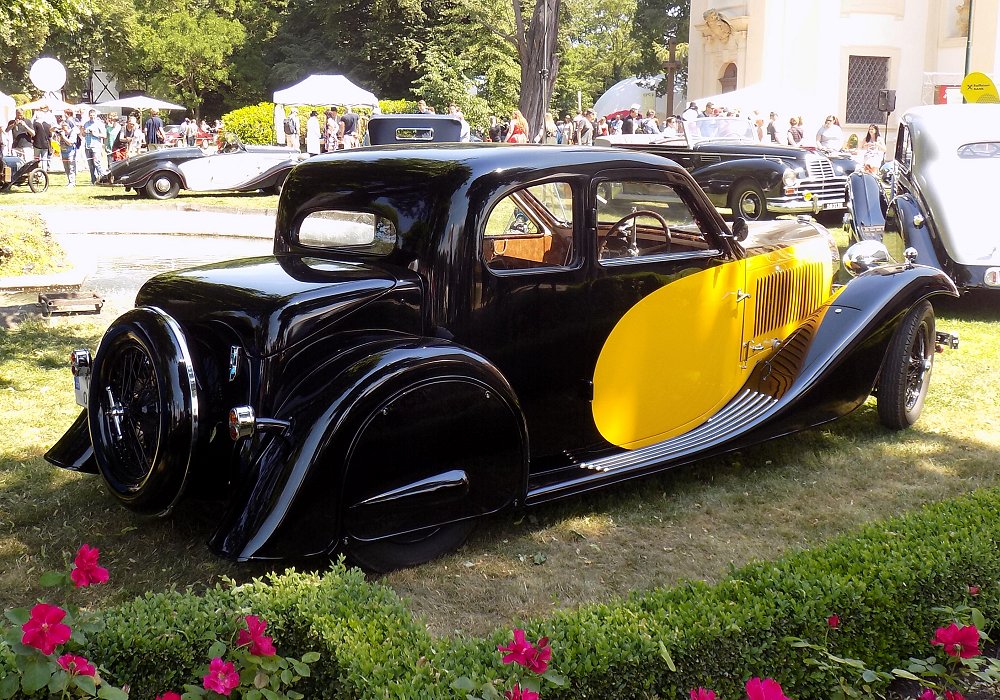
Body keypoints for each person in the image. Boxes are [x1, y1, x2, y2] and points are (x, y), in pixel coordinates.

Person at [83, 109, 107, 183]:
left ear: (96, 115)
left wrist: (95, 134)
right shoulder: (86, 124)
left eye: (93, 115)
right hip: (87, 146)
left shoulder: (100, 124)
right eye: (91, 115)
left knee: (96, 162)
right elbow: (83, 134)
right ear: (89, 115)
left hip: (96, 146)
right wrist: (84, 132)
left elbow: (104, 135)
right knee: (90, 164)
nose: (92, 117)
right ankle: (93, 180)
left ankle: (103, 177)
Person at [54, 117, 79, 186]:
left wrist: (63, 136)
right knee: (66, 168)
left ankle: (72, 182)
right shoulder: (61, 132)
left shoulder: (72, 133)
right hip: (63, 151)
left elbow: (70, 143)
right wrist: (56, 128)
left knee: (71, 167)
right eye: (62, 126)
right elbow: (51, 130)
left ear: (68, 126)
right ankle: (69, 181)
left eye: (64, 126)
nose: (63, 128)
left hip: (71, 152)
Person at [32, 107, 53, 171]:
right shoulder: (48, 125)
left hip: (37, 144)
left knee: (36, 159)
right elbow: (50, 136)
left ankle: (36, 171)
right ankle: (44, 172)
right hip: (45, 144)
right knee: (44, 159)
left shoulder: (35, 124)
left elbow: (33, 134)